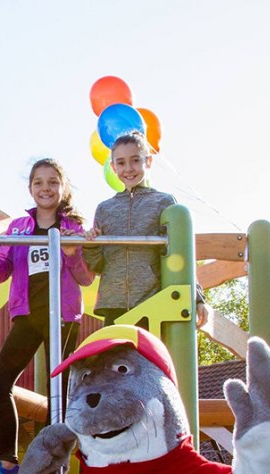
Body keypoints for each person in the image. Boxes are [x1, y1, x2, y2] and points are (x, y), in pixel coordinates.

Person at [0, 159, 94, 474]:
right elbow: (1, 272)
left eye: (52, 182)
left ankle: (50, 463)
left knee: (57, 391)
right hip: (28, 313)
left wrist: (73, 252)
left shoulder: (73, 227)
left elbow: (85, 277)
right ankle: (8, 463)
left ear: (63, 187)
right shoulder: (19, 227)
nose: (45, 188)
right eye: (39, 182)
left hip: (62, 315)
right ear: (30, 188)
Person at [83, 131, 208, 330]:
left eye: (135, 160)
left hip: (151, 300)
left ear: (148, 162)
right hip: (113, 302)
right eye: (121, 163)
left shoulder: (163, 202)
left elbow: (181, 255)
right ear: (113, 167)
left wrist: (198, 298)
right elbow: (98, 265)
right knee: (116, 350)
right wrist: (91, 245)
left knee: (148, 350)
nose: (128, 169)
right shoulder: (104, 209)